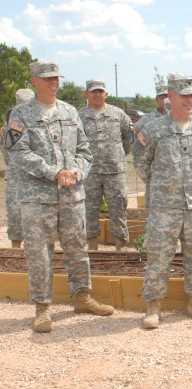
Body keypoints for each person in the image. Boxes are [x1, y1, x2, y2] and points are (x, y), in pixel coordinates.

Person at [5, 60, 114, 333]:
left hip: (71, 195)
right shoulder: (19, 114)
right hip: (37, 197)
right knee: (40, 253)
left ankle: (82, 297)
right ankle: (42, 307)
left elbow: (85, 150)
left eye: (56, 77)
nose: (54, 82)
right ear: (34, 81)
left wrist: (76, 172)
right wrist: (53, 172)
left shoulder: (69, 111)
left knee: (77, 248)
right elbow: (18, 154)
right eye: (47, 78)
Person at [134, 72, 192, 329]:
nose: (189, 100)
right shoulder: (154, 129)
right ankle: (153, 306)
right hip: (164, 208)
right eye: (184, 96)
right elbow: (140, 163)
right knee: (159, 256)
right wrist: (163, 187)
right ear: (170, 96)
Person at [79, 79, 133, 251]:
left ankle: (120, 244)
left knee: (118, 207)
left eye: (100, 91)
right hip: (89, 171)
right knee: (89, 208)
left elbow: (127, 138)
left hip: (114, 171)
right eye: (93, 91)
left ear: (106, 94)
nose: (97, 94)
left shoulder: (118, 114)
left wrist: (117, 156)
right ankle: (92, 243)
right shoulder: (78, 117)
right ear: (86, 94)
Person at [1, 88, 35, 248]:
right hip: (17, 172)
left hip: (37, 172)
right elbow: (8, 147)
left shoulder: (42, 116)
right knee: (15, 211)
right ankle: (15, 245)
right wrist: (13, 167)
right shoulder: (13, 119)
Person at [131, 84, 169, 209]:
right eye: (162, 96)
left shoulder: (181, 118)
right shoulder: (147, 120)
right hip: (156, 172)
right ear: (157, 99)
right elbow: (139, 141)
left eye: (168, 96)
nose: (165, 99)